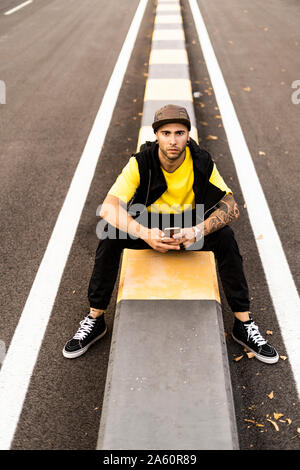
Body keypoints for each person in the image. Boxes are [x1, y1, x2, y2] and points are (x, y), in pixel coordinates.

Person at [62, 104, 279, 364]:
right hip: (148, 225)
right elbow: (109, 208)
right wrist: (144, 233)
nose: (173, 140)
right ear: (157, 136)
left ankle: (243, 323)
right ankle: (95, 318)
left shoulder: (201, 161)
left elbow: (231, 206)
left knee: (226, 238)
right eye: (166, 133)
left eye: (179, 132)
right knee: (109, 233)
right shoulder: (141, 162)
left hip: (187, 225)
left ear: (188, 135)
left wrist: (197, 230)